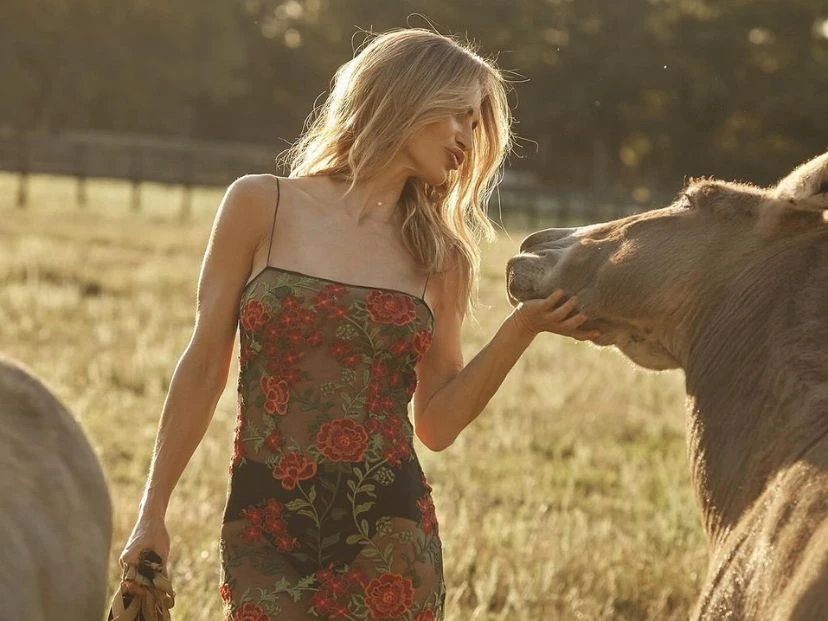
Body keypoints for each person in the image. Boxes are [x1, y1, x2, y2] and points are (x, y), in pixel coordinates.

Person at [119, 28, 599, 620]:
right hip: (265, 528)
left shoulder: (441, 256)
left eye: (477, 127)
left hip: (391, 540)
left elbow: (438, 424)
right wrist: (152, 511)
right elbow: (202, 367)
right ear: (407, 95)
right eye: (460, 116)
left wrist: (521, 328)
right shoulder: (260, 205)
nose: (468, 140)